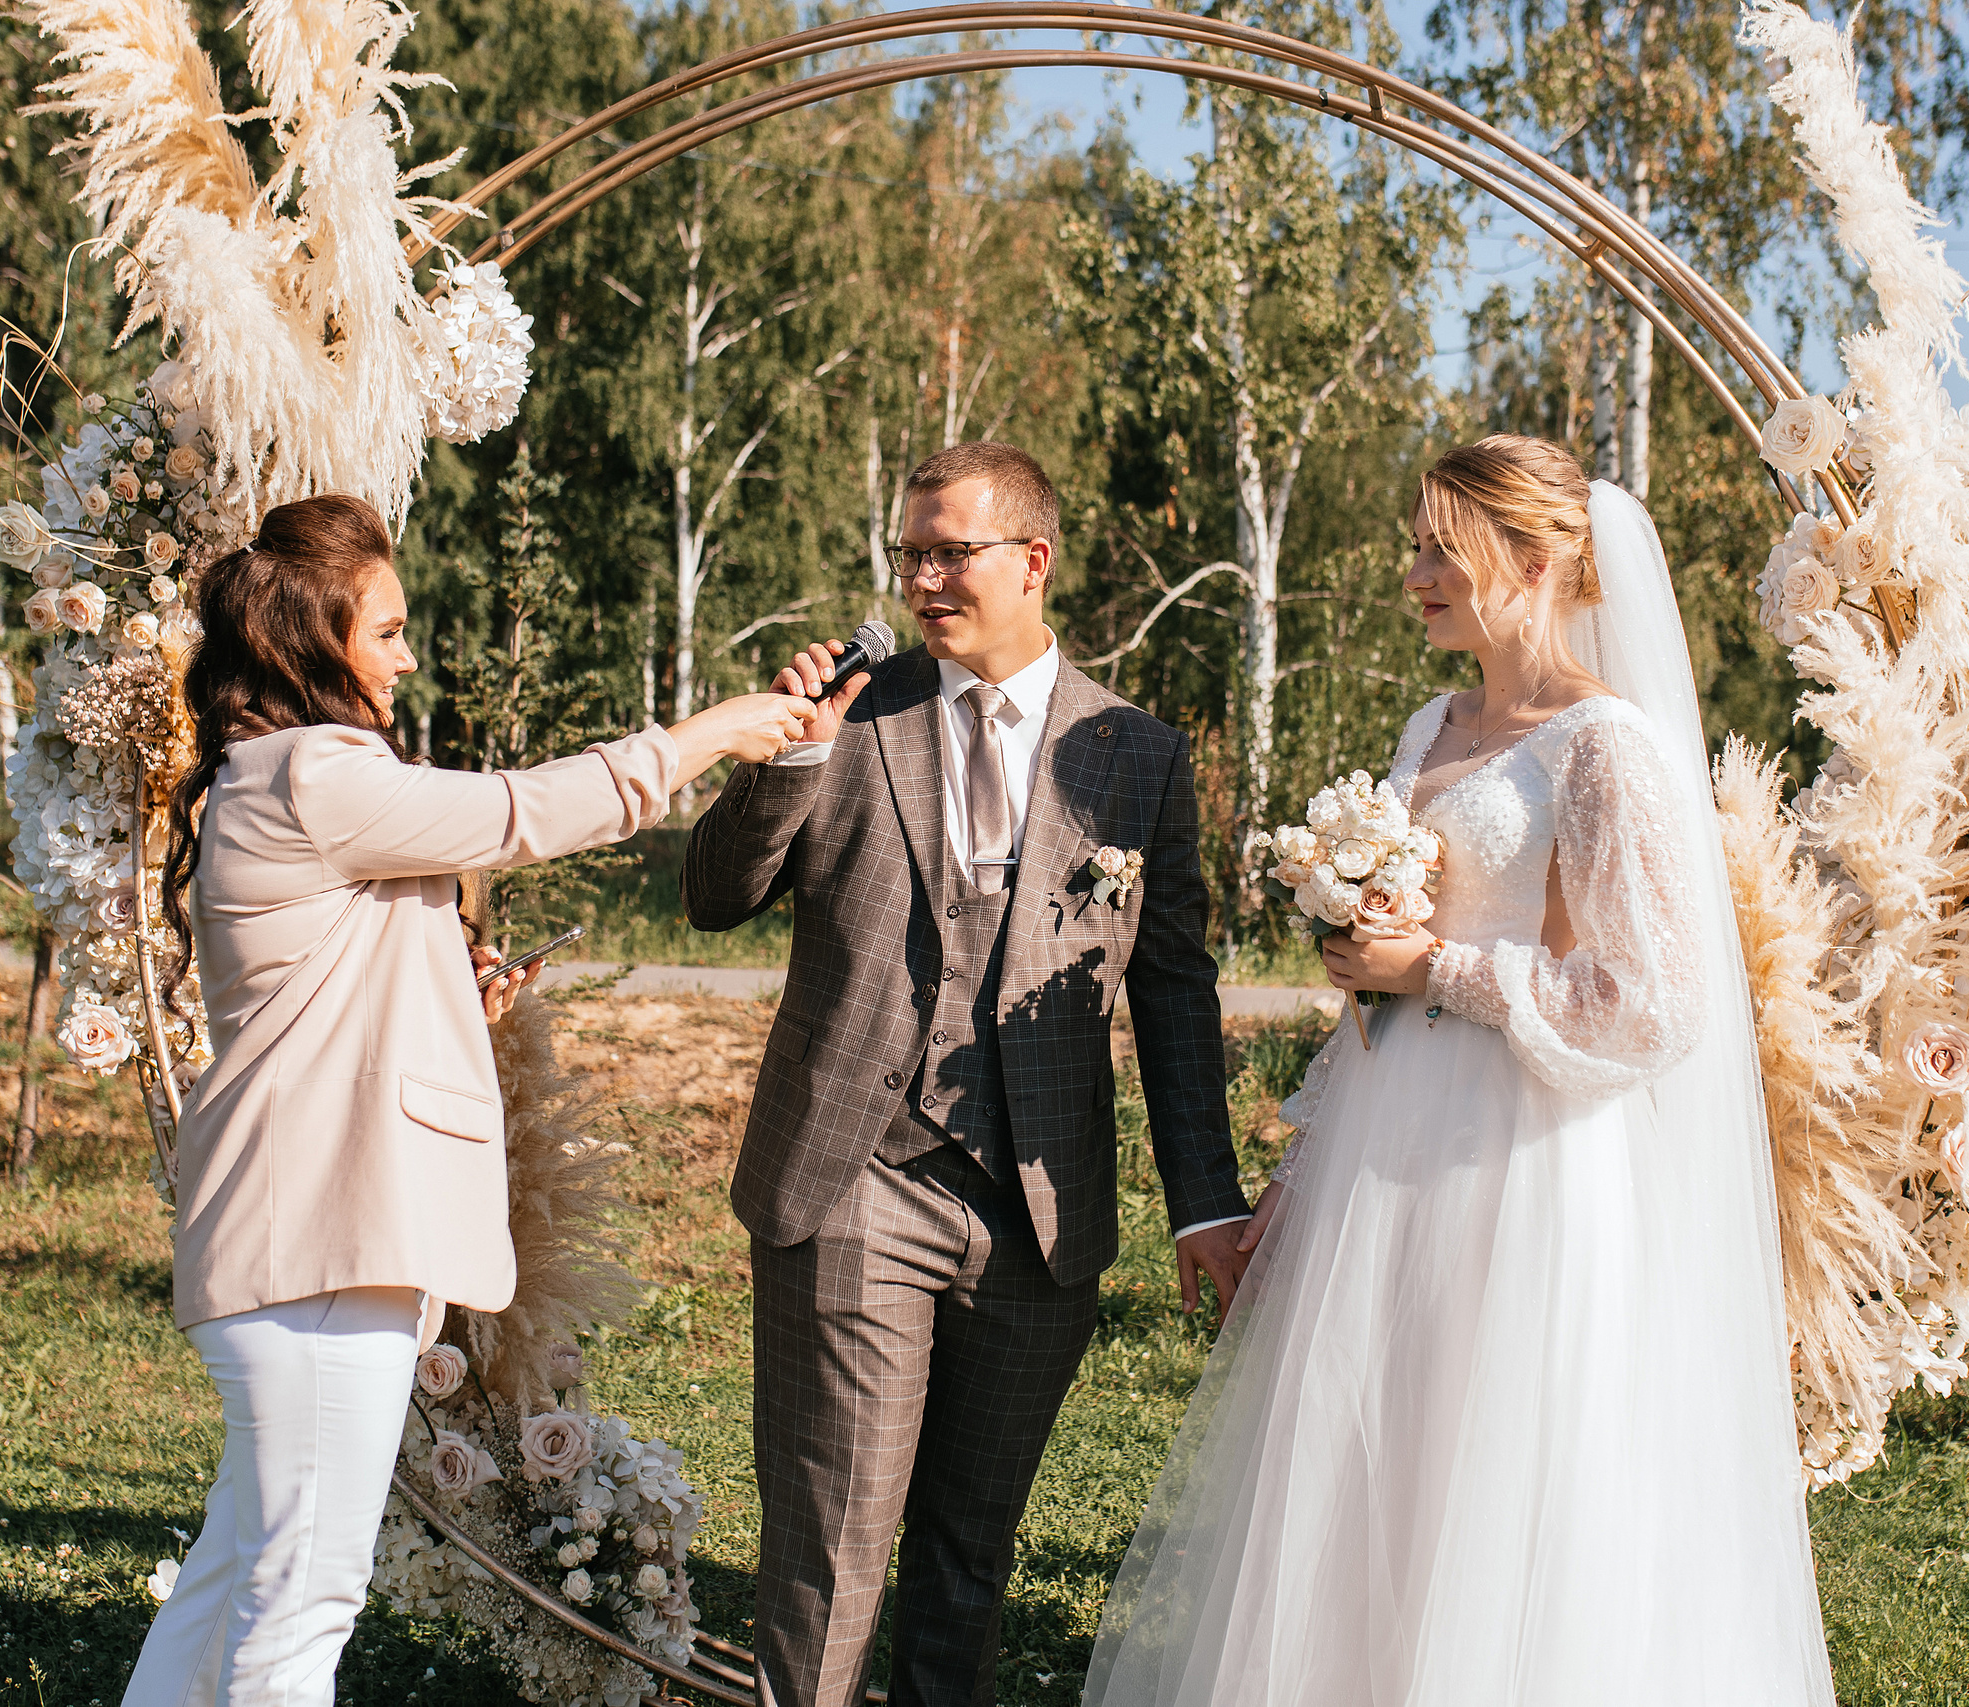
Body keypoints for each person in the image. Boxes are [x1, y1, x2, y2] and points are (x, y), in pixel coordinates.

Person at [1083, 437, 1834, 1705]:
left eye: (1442, 547)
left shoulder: (1606, 749)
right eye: (1416, 546)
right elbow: (1389, 969)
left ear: (1534, 561)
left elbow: (1653, 1008)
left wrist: (1436, 970)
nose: (1415, 573)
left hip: (1525, 1162)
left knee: (1497, 1476)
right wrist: (1303, 1164)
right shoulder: (1429, 723)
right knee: (1369, 1464)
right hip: (1386, 1145)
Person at [124, 494, 812, 1707]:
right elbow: (515, 813)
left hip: (290, 1239)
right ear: (309, 642)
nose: (402, 658)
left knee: (236, 1572)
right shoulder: (317, 773)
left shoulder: (269, 777)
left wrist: (454, 995)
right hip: (319, 1248)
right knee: (302, 1603)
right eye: (383, 632)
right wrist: (715, 732)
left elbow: (331, 989)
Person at [682, 441, 1255, 1707]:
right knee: (827, 1559)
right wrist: (787, 758)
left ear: (1033, 561)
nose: (923, 576)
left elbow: (1171, 992)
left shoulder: (1135, 753)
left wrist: (1205, 1200)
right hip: (852, 1180)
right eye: (911, 554)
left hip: (1034, 1215)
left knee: (966, 1560)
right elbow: (712, 896)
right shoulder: (854, 709)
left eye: (951, 551)